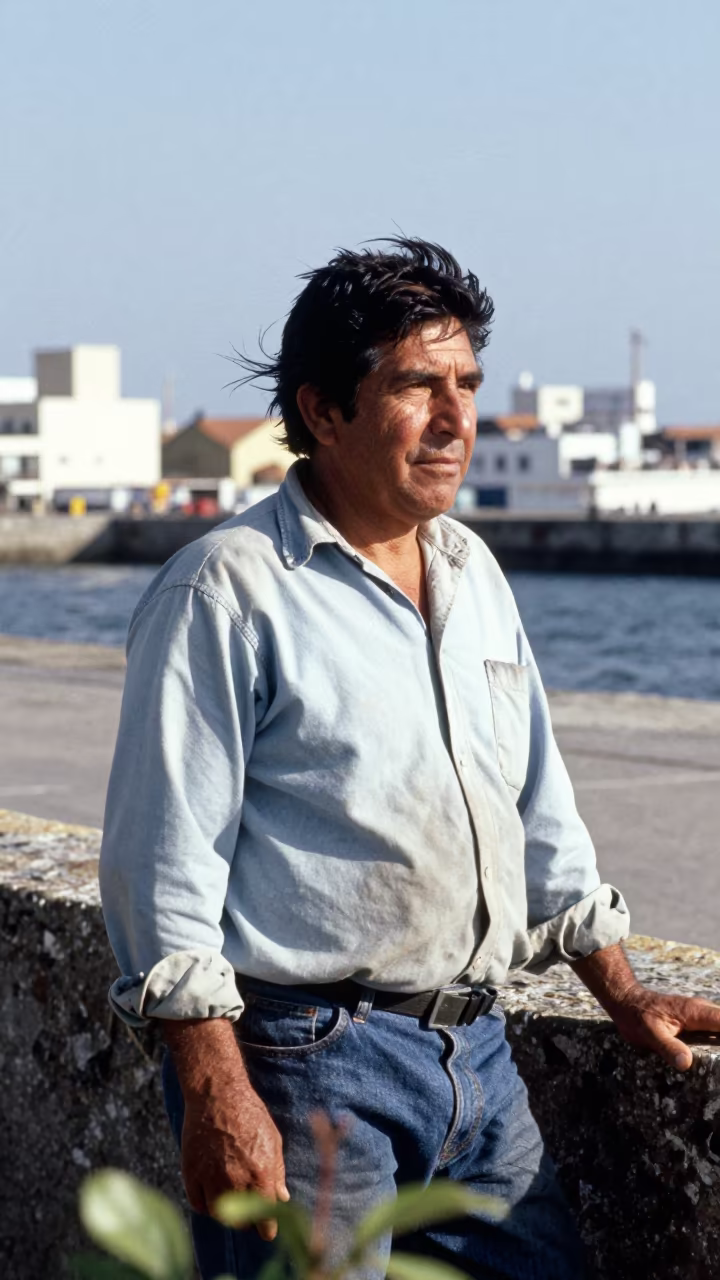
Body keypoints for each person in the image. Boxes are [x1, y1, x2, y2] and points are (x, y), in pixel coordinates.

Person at [99, 238, 720, 1280]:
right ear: (326, 409)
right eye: (416, 385)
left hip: (477, 1055)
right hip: (303, 1068)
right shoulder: (225, 592)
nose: (457, 418)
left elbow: (538, 806)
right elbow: (162, 866)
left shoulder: (470, 566)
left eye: (467, 383)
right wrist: (216, 1090)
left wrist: (621, 988)